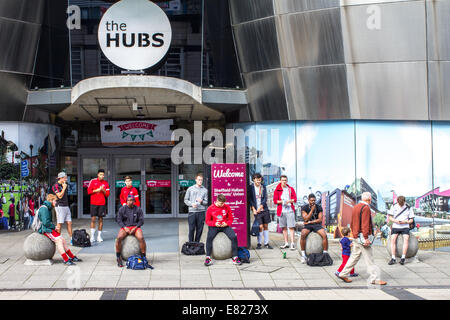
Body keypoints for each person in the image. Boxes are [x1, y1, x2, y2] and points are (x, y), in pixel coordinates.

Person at [338, 192, 387, 285]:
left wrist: (354, 234)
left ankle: (343, 273)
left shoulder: (356, 207)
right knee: (370, 259)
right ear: (369, 199)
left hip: (356, 236)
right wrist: (366, 237)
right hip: (362, 237)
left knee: (354, 257)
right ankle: (374, 279)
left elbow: (352, 222)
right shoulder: (366, 208)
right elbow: (365, 224)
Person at [37, 194, 82, 265]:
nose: (56, 202)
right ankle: (66, 259)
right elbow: (45, 223)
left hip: (47, 228)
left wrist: (53, 227)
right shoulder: (44, 209)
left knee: (62, 239)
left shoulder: (48, 208)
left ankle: (72, 257)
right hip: (44, 229)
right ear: (51, 200)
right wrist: (54, 227)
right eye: (55, 201)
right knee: (59, 240)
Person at [204, 194, 242, 266]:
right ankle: (208, 257)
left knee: (233, 237)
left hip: (224, 226)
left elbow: (231, 219)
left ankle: (235, 257)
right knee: (209, 238)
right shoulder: (210, 208)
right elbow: (207, 221)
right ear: (217, 201)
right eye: (221, 203)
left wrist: (226, 223)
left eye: (223, 203)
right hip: (215, 226)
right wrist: (215, 223)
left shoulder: (227, 207)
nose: (222, 205)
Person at [115, 195, 147, 268]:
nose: (130, 202)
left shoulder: (138, 209)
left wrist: (135, 228)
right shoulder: (122, 209)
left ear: (134, 201)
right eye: (128, 200)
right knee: (119, 238)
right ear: (126, 201)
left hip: (135, 227)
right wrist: (124, 227)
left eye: (132, 200)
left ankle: (143, 256)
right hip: (125, 227)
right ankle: (118, 257)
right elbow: (119, 220)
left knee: (141, 238)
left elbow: (141, 221)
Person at [300, 193, 328, 263]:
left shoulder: (319, 207)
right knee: (303, 234)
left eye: (314, 200)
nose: (313, 202)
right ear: (308, 200)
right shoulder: (304, 208)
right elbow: (306, 219)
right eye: (311, 200)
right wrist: (312, 210)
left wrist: (310, 222)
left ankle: (325, 254)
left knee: (324, 235)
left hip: (316, 225)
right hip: (308, 225)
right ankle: (303, 255)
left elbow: (320, 219)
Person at [387, 196, 415, 265]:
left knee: (406, 239)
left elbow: (411, 219)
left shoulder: (408, 207)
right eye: (400, 203)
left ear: (404, 202)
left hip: (405, 226)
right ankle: (393, 258)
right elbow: (390, 217)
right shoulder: (394, 206)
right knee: (393, 239)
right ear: (397, 202)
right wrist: (396, 221)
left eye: (402, 203)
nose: (401, 205)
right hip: (396, 226)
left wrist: (405, 222)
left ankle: (403, 258)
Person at [249, 173, 272, 249]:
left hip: (264, 209)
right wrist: (253, 208)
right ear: (253, 180)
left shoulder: (263, 187)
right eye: (256, 179)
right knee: (260, 226)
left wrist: (261, 206)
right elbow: (250, 199)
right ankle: (259, 243)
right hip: (256, 210)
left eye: (259, 179)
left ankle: (266, 243)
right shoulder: (251, 187)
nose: (258, 181)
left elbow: (265, 198)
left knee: (265, 226)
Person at [273, 175, 297, 250]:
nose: (284, 182)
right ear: (280, 181)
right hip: (281, 211)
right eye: (283, 180)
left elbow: (295, 199)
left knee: (291, 227)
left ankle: (292, 243)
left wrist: (289, 201)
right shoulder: (277, 190)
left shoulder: (290, 189)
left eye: (285, 180)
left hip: (290, 210)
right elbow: (275, 201)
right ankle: (286, 243)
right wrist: (283, 202)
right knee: (284, 228)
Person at [184, 173, 208, 243]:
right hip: (192, 212)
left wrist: (201, 202)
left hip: (201, 212)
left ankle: (197, 245)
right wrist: (191, 204)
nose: (200, 181)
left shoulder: (205, 190)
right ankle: (191, 245)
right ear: (196, 180)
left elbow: (206, 202)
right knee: (191, 229)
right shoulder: (190, 189)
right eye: (199, 180)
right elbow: (185, 200)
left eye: (201, 180)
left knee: (199, 230)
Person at [87, 169, 110, 243]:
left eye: (103, 175)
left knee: (101, 219)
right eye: (100, 174)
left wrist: (103, 190)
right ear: (98, 174)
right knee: (93, 219)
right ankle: (92, 236)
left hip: (102, 203)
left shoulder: (105, 183)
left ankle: (99, 236)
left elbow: (107, 194)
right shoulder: (93, 181)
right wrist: (97, 190)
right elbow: (88, 191)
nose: (102, 176)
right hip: (93, 203)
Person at [52, 172, 73, 242]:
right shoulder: (56, 186)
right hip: (60, 206)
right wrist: (64, 188)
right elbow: (59, 196)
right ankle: (58, 239)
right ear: (60, 178)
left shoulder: (64, 184)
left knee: (69, 222)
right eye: (65, 178)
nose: (66, 179)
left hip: (66, 205)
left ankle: (72, 239)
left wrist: (64, 187)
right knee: (59, 223)